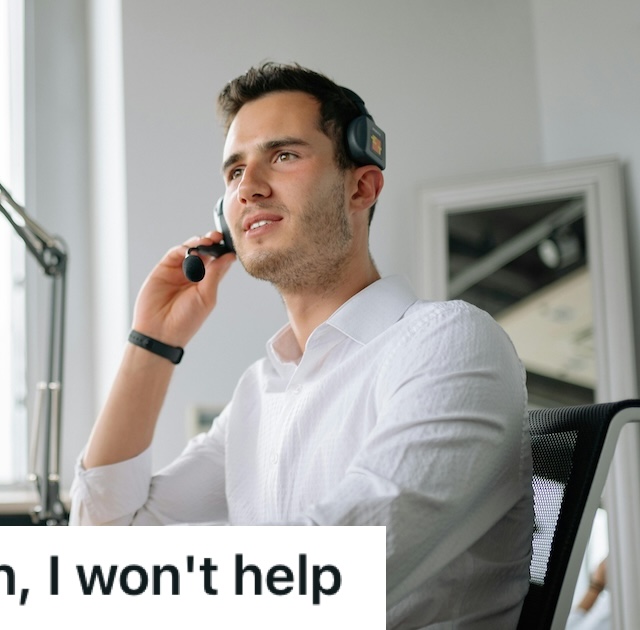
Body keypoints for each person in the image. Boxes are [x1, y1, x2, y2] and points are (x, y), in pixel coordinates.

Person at [70, 62, 534, 628]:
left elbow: (331, 571)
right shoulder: (260, 394)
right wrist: (153, 341)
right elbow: (102, 539)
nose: (249, 187)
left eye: (284, 155)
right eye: (235, 170)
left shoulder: (449, 342)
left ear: (361, 185)